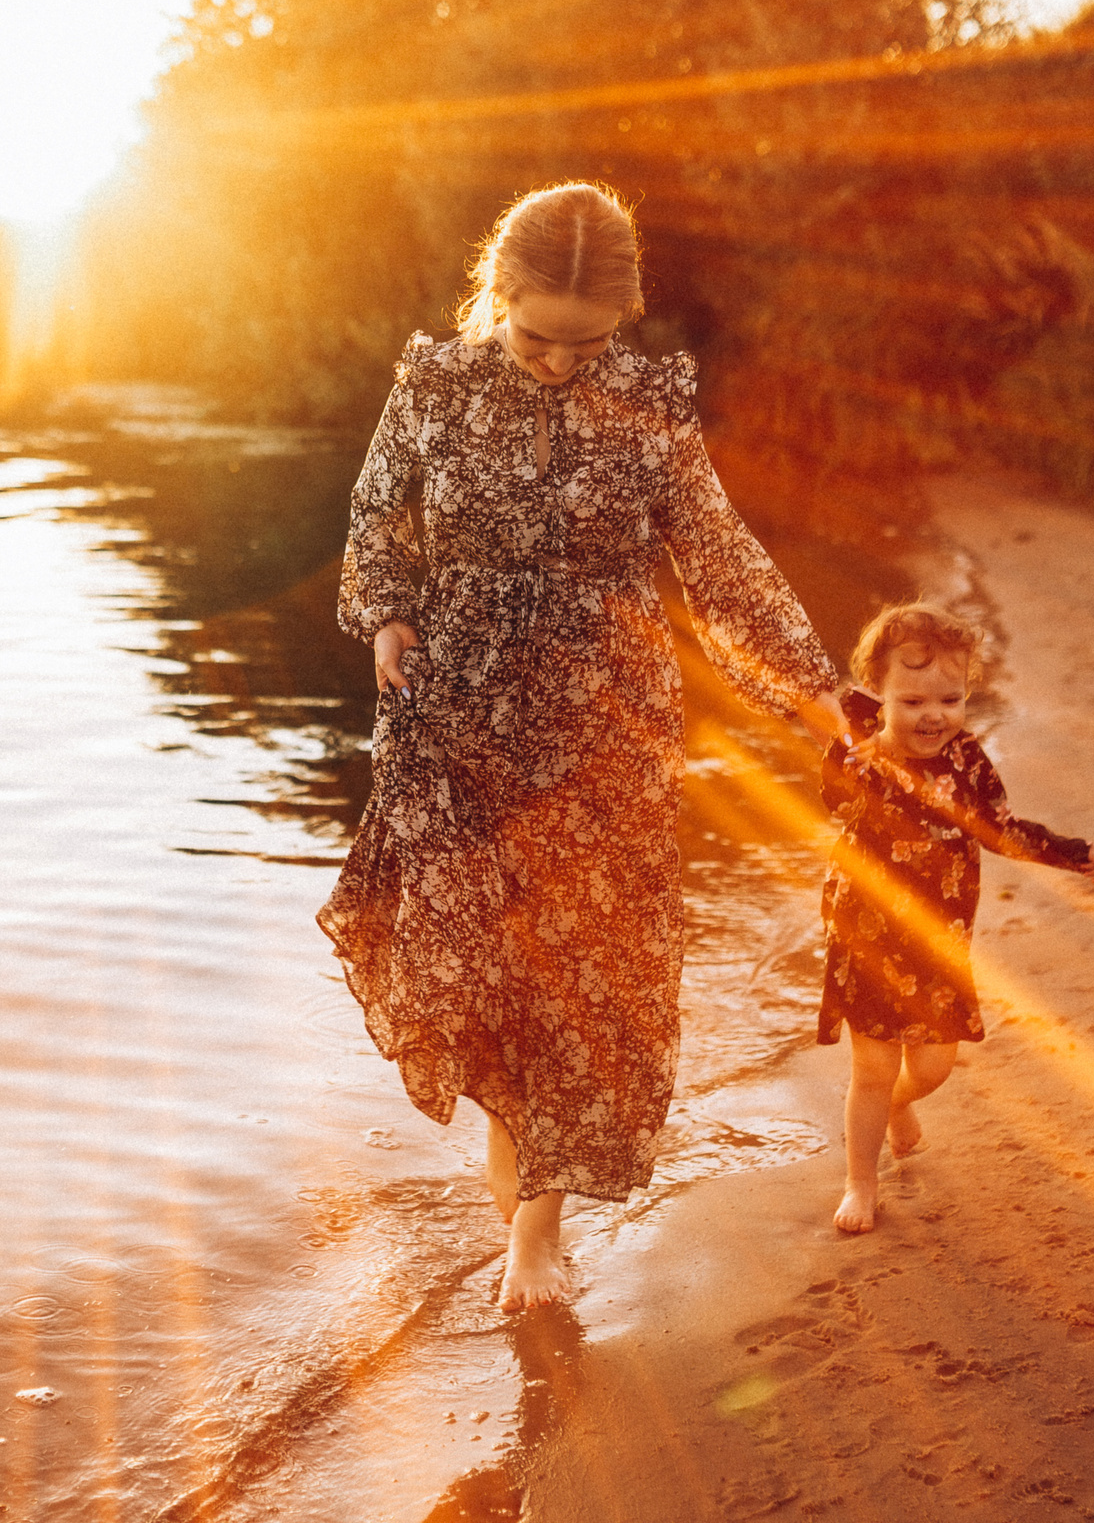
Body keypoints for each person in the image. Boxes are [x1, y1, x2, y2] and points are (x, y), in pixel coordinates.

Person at [316, 182, 845, 1310]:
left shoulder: (649, 403)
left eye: (585, 341)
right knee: (479, 966)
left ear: (626, 316)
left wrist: (815, 691)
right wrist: (388, 613)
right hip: (451, 721)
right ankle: (522, 1154)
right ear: (494, 295)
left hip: (601, 729)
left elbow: (719, 559)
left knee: (581, 974)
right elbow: (373, 515)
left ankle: (536, 1232)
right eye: (535, 335)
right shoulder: (434, 386)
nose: (558, 362)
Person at [817, 602, 1094, 1235]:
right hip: (866, 932)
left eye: (950, 699)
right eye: (913, 701)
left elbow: (999, 831)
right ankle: (860, 1182)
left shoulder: (968, 760)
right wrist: (857, 734)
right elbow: (831, 795)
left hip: (937, 942)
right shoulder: (864, 754)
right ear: (882, 694)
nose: (934, 716)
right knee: (872, 1065)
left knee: (931, 1068)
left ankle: (899, 1107)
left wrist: (1068, 852)